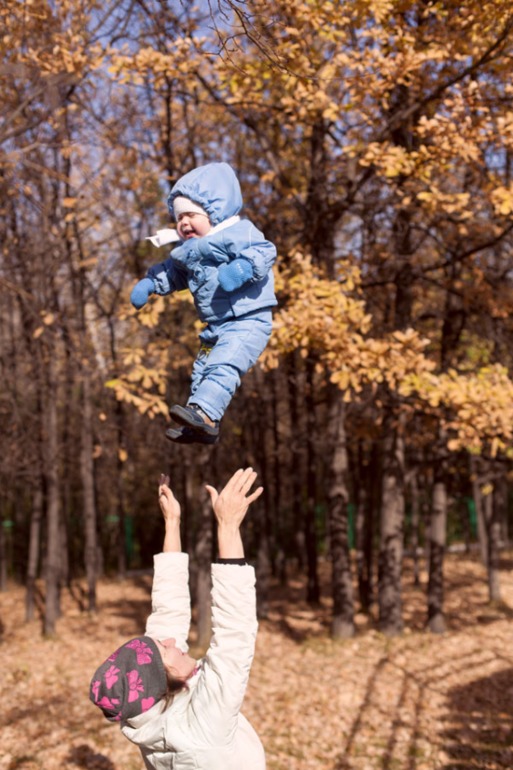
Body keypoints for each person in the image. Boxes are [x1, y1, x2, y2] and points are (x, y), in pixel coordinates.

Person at [89, 467, 266, 770]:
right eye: (165, 649)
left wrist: (172, 523)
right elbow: (235, 631)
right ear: (169, 682)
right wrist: (228, 526)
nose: (171, 640)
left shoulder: (146, 712)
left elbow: (167, 612)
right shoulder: (204, 727)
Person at [130, 162, 277, 445]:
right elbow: (174, 273)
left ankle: (205, 412)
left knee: (223, 365)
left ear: (213, 212)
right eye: (178, 218)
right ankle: (203, 423)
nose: (183, 223)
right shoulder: (188, 251)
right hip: (215, 324)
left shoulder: (236, 233)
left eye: (190, 215)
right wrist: (150, 284)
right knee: (203, 370)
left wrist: (243, 269)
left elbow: (264, 251)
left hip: (248, 320)